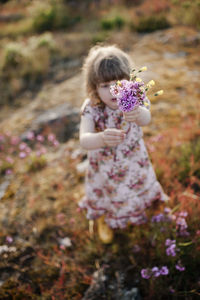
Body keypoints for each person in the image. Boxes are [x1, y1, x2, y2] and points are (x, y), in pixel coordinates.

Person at [79, 45, 167, 244]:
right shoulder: (92, 107)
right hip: (105, 167)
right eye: (104, 85)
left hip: (134, 160)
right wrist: (101, 138)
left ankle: (140, 210)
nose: (113, 90)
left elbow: (147, 119)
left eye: (119, 82)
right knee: (109, 194)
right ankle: (104, 218)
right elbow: (84, 139)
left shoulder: (135, 98)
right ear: (94, 88)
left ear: (129, 80)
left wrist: (139, 113)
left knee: (136, 187)